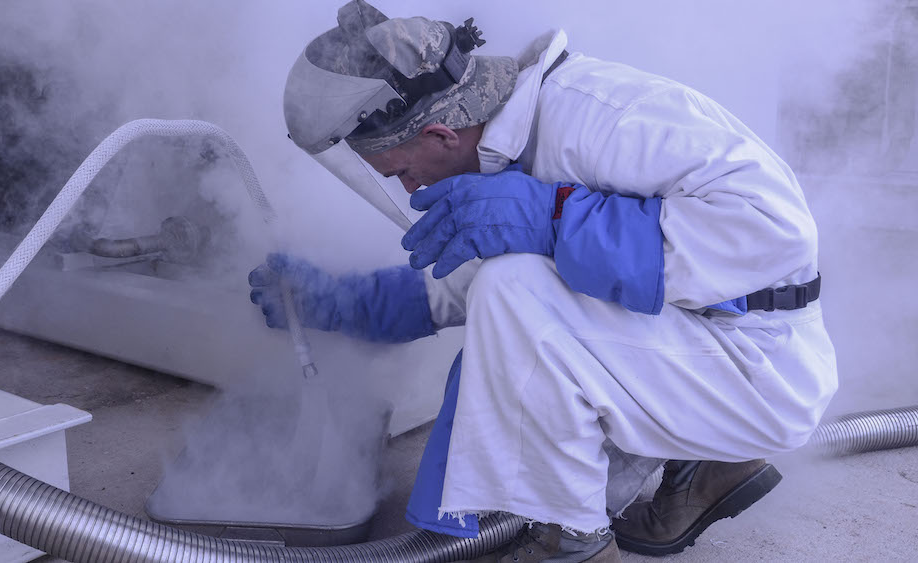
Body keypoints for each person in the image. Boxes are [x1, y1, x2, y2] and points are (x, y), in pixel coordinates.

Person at [249, 2, 838, 561]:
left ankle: (575, 544)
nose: (408, 190)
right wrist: (340, 303)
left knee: (513, 289)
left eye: (401, 171)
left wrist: (558, 218)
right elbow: (464, 292)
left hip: (757, 366)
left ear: (440, 136)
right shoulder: (519, 145)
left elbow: (774, 236)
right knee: (511, 286)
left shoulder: (596, 119)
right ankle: (701, 463)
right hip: (709, 350)